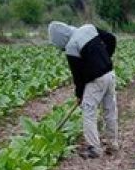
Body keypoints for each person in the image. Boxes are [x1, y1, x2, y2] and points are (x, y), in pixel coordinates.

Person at [48, 21, 118, 159]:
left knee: (89, 112)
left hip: (96, 80)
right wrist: (105, 58)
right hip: (110, 74)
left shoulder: (71, 47)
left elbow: (78, 76)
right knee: (110, 109)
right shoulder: (89, 28)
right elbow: (111, 38)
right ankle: (113, 143)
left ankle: (94, 149)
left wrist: (80, 95)